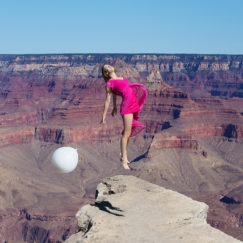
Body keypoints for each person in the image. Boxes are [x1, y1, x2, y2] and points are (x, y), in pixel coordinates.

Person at [100, 64, 147, 170]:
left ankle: (122, 153)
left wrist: (115, 107)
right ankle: (124, 160)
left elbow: (116, 94)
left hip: (133, 104)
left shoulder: (122, 78)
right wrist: (104, 116)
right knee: (126, 133)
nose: (108, 66)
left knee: (129, 132)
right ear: (106, 73)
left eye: (108, 65)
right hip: (127, 107)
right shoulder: (109, 83)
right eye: (105, 68)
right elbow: (107, 99)